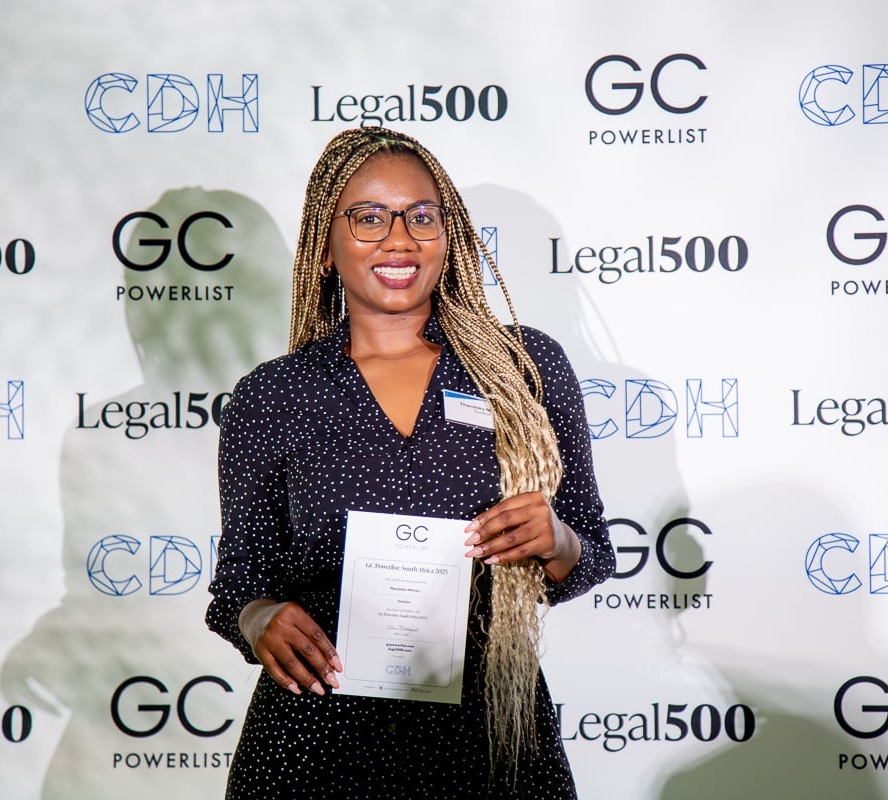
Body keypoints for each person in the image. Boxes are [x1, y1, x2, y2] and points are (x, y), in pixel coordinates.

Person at [206, 127, 614, 799]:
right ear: (325, 247)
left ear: (447, 237)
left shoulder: (523, 368)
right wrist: (259, 621)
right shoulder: (273, 395)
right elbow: (239, 585)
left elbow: (591, 552)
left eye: (421, 217)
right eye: (369, 218)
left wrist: (558, 540)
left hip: (488, 736)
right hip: (315, 742)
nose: (399, 239)